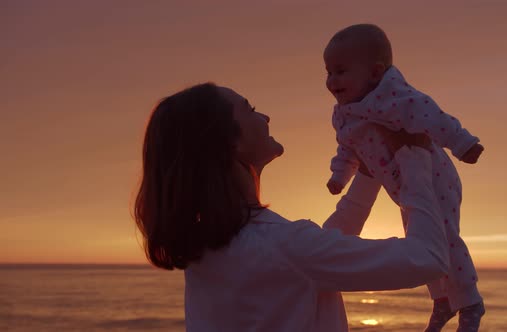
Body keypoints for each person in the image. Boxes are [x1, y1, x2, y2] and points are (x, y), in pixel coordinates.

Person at [134, 82, 451, 331]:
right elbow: (429, 258)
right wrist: (414, 160)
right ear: (230, 142)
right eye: (250, 109)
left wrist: (367, 176)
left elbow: (313, 259)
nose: (265, 116)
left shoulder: (208, 247)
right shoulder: (283, 245)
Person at [323, 24, 485, 331]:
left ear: (374, 72)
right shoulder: (344, 114)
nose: (332, 81)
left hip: (434, 179)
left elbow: (434, 118)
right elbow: (347, 148)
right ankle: (442, 302)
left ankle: (470, 302)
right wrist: (339, 176)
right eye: (328, 72)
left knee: (446, 237)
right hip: (403, 187)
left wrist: (463, 144)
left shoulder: (398, 100)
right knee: (421, 241)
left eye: (341, 71)